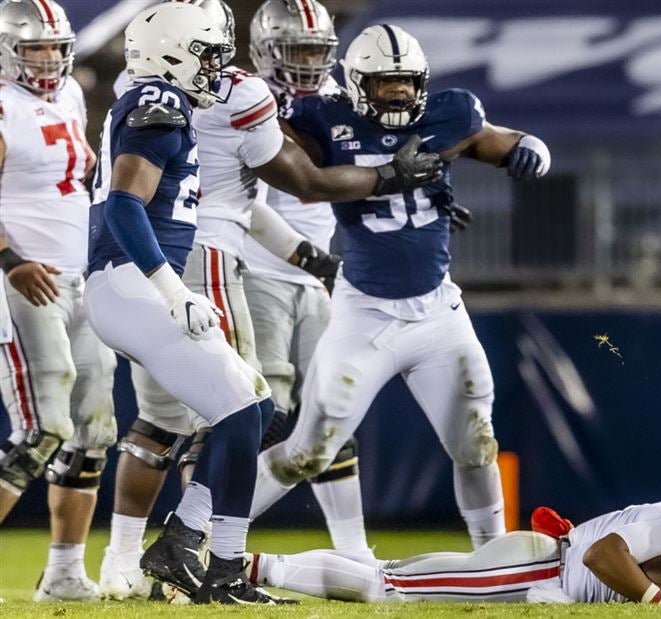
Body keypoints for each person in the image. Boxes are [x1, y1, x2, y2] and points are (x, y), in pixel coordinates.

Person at [97, 0, 442, 601]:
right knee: (245, 412)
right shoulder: (206, 97)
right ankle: (192, 550)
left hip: (173, 264)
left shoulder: (158, 92)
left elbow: (237, 198)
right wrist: (390, 176)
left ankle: (148, 558)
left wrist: (312, 258)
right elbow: (300, 182)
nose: (217, 65)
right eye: (208, 53)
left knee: (194, 418)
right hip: (193, 265)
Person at [250, 23, 551, 549]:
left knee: (476, 441)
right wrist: (389, 175)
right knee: (308, 451)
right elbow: (293, 173)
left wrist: (533, 148)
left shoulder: (449, 113)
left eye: (407, 83)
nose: (398, 93)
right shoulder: (321, 119)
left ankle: (496, 559)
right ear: (353, 83)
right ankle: (203, 535)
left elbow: (500, 140)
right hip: (363, 313)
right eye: (384, 83)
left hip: (438, 314)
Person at [242, 0, 373, 563]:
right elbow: (242, 204)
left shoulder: (337, 102)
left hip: (316, 280)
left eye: (317, 52)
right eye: (295, 50)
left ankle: (353, 550)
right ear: (266, 50)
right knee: (256, 417)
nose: (307, 63)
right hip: (256, 273)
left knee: (332, 410)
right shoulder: (246, 100)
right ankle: (211, 542)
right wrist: (312, 259)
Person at [0, 0, 116, 601]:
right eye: (34, 49)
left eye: (54, 48)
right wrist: (11, 261)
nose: (47, 60)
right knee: (41, 428)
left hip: (80, 278)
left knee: (94, 431)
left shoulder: (68, 93)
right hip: (24, 280)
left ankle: (66, 573)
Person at [247, 502, 661, 605]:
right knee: (386, 589)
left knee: (387, 573)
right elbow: (602, 554)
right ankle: (248, 568)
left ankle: (250, 568)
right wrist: (658, 600)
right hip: (546, 565)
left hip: (546, 567)